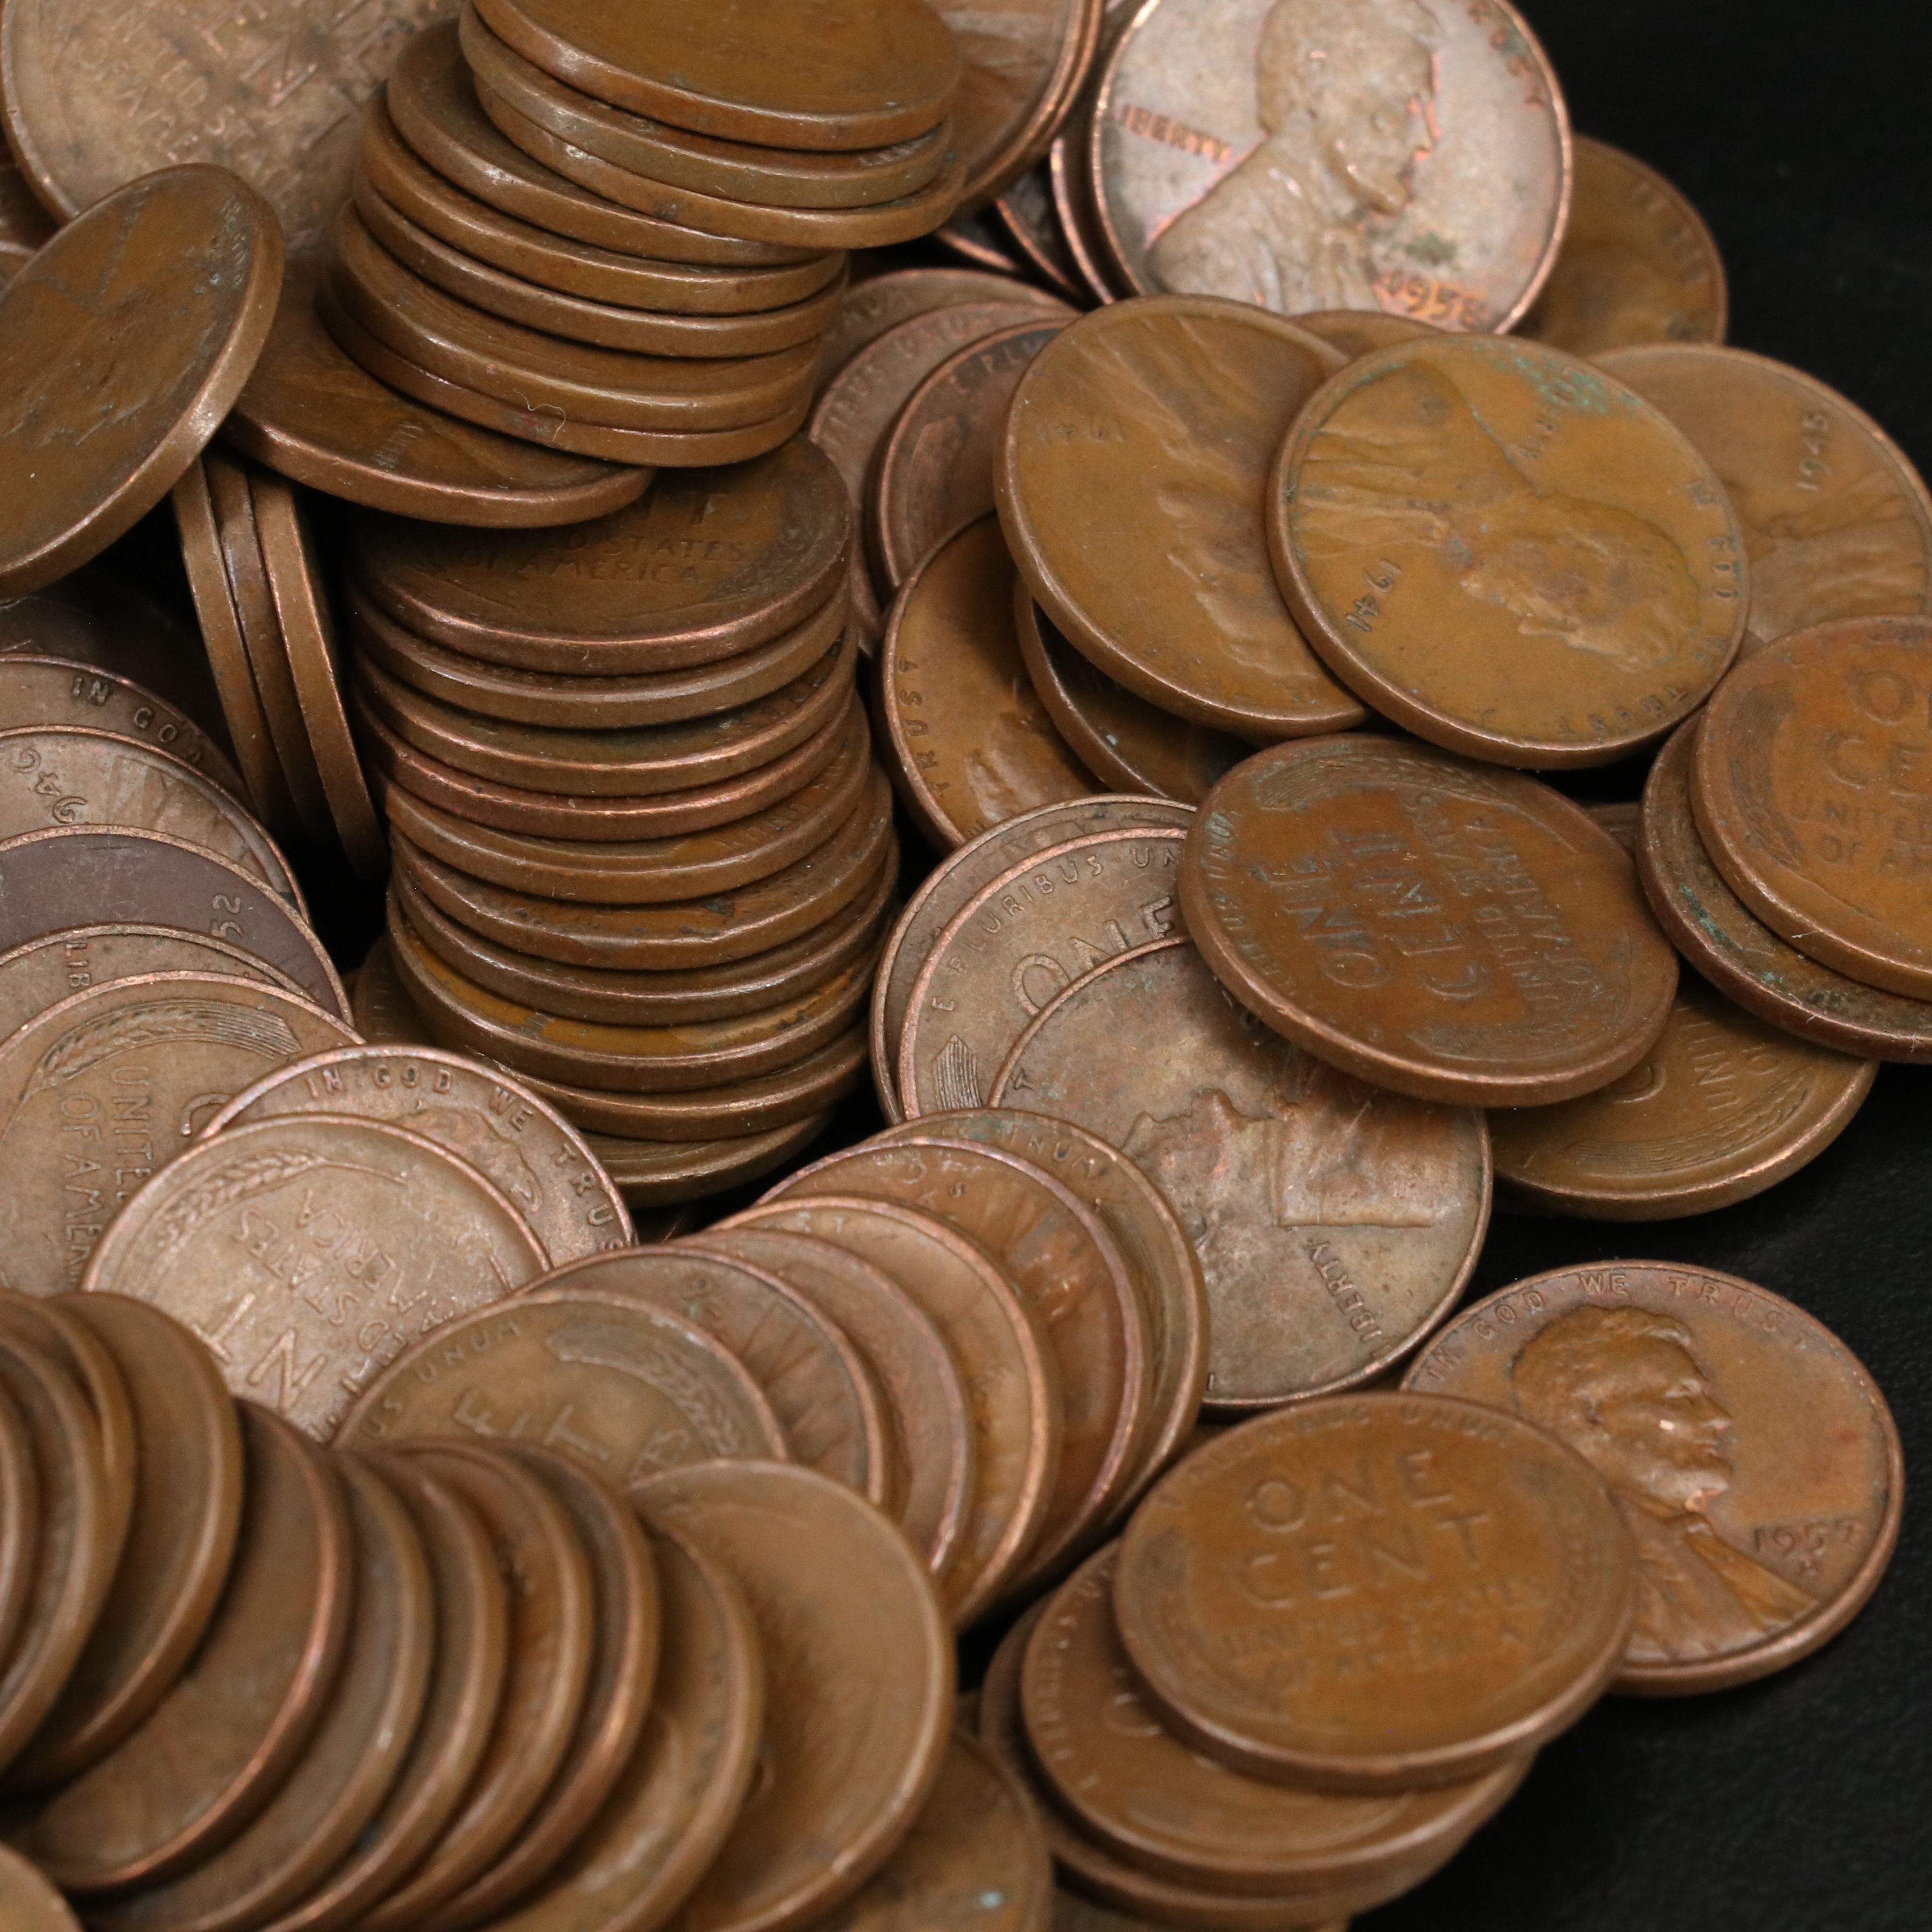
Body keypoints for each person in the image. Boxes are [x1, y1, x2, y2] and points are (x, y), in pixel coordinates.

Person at [1510, 1305, 1815, 1663]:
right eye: (1683, 1398)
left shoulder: (1693, 1541)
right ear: (1589, 1415)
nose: (1720, 1419)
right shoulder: (1561, 1563)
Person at [1149, 0, 1441, 313]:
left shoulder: (1342, 255)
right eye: (1403, 104)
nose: (1426, 141)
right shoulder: (1207, 253)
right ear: (1316, 82)